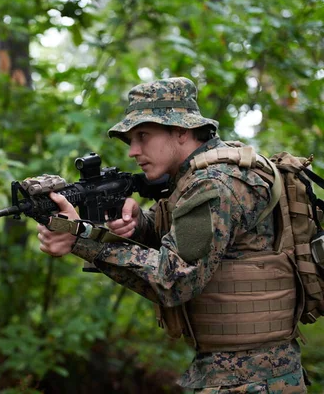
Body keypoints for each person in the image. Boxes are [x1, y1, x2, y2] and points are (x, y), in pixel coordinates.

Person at [36, 77, 307, 393]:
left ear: (181, 131)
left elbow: (174, 279)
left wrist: (79, 238)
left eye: (143, 136)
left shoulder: (215, 185)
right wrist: (140, 226)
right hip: (247, 372)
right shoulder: (200, 178)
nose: (133, 151)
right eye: (130, 140)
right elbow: (189, 243)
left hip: (250, 380)